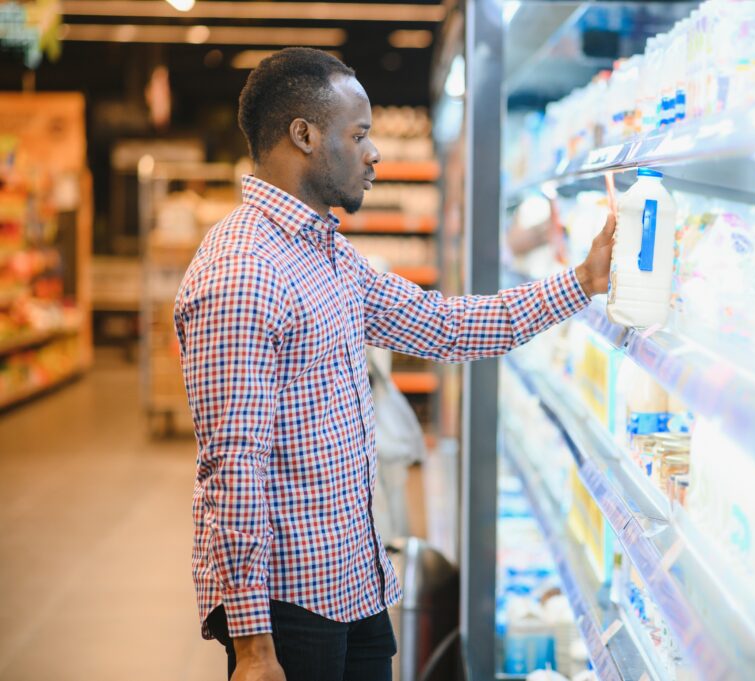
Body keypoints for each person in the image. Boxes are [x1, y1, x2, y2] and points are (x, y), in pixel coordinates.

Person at [173, 47, 614, 681]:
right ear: (304, 136)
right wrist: (253, 648)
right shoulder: (243, 272)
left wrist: (582, 282)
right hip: (290, 608)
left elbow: (446, 324)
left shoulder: (327, 254)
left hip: (354, 581)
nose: (374, 152)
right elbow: (234, 468)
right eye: (359, 134)